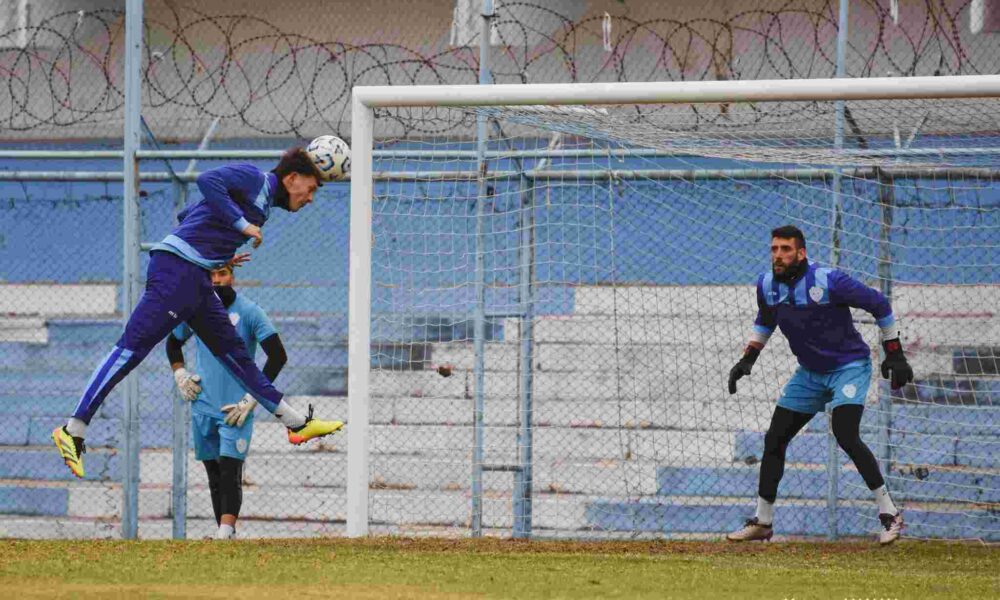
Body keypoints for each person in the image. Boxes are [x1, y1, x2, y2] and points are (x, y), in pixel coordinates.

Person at [53, 147, 343, 479]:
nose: (310, 198)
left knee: (237, 357)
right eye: (312, 189)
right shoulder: (255, 178)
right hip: (177, 272)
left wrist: (218, 252)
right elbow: (207, 181)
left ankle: (296, 425)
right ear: (292, 178)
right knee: (130, 351)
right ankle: (73, 428)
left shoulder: (263, 207)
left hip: (196, 277)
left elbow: (189, 215)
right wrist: (240, 225)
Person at [726, 225, 913, 545]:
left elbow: (879, 304)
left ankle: (889, 513)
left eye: (786, 249)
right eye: (774, 249)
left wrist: (894, 352)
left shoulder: (829, 280)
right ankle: (763, 521)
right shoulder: (767, 284)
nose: (778, 256)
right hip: (809, 373)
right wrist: (748, 359)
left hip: (849, 368)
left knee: (845, 432)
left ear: (801, 253)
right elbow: (765, 319)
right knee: (775, 438)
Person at [167, 264, 282, 539]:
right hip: (203, 404)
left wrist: (253, 396)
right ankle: (225, 533)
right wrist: (180, 373)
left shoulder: (250, 312)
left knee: (231, 469)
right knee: (214, 473)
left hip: (236, 407)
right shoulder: (196, 310)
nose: (217, 281)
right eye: (212, 276)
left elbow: (277, 355)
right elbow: (173, 342)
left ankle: (225, 531)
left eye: (223, 274)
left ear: (233, 275)